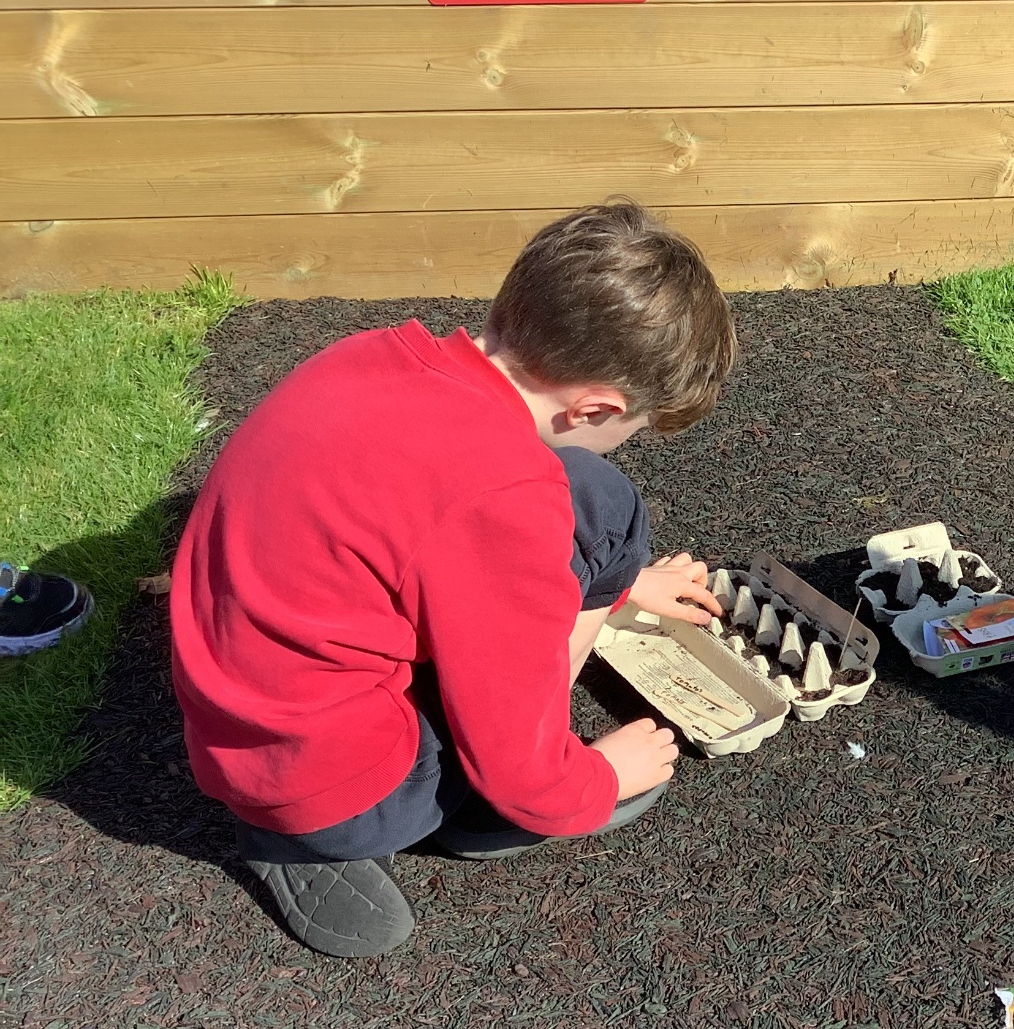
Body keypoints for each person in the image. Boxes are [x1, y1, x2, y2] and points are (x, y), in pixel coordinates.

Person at [172, 202, 737, 959]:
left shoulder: (371, 353)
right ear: (596, 406)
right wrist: (594, 778)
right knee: (503, 781)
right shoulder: (499, 499)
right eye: (633, 429)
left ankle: (303, 809)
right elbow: (512, 761)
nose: (625, 443)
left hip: (230, 692)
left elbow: (403, 518)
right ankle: (302, 835)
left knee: (600, 504)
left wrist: (618, 586)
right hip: (320, 777)